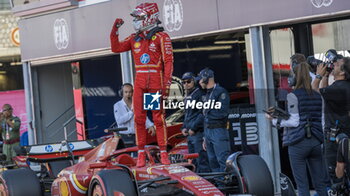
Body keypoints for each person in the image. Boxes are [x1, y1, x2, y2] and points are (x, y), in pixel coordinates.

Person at [110, 2, 173, 167]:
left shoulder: (161, 37)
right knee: (139, 119)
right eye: (136, 17)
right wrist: (115, 29)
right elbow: (115, 48)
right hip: (139, 83)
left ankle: (163, 152)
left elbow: (169, 62)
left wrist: (166, 84)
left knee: (158, 119)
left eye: (139, 17)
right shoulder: (134, 38)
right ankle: (140, 154)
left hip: (154, 83)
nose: (136, 20)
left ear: (151, 17)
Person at [267, 62, 328, 196]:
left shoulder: (292, 96)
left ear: (294, 78)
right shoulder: (318, 95)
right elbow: (322, 120)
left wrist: (275, 121)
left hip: (298, 143)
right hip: (317, 142)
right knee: (321, 184)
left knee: (302, 185)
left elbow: (294, 122)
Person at [312, 57, 350, 186]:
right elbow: (325, 92)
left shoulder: (337, 89)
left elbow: (315, 89)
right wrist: (326, 76)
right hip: (344, 135)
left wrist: (319, 75)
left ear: (343, 72)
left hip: (336, 139)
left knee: (336, 177)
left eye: (337, 64)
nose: (333, 64)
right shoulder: (341, 88)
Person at [197, 68, 231, 173]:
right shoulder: (206, 94)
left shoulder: (220, 92)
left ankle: (226, 187)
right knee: (212, 161)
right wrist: (204, 137)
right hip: (208, 132)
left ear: (206, 78)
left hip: (218, 130)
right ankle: (219, 185)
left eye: (200, 79)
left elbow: (222, 112)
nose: (199, 82)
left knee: (222, 159)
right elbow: (205, 115)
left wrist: (207, 112)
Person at [181, 72, 211, 173]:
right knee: (193, 163)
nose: (186, 84)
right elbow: (187, 115)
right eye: (184, 82)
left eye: (188, 81)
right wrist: (184, 128)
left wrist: (193, 128)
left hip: (198, 134)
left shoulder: (199, 94)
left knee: (202, 161)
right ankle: (196, 185)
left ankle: (207, 185)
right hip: (190, 135)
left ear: (194, 81)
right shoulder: (187, 96)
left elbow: (202, 114)